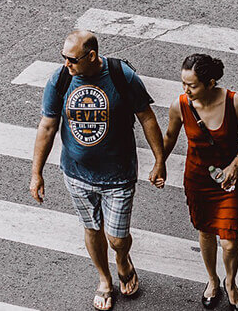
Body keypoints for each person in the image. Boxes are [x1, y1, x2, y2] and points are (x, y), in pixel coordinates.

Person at [29, 30, 166, 311]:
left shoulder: (122, 76)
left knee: (117, 238)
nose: (66, 64)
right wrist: (36, 173)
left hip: (118, 176)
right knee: (92, 229)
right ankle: (104, 279)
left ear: (91, 56)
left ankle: (122, 260)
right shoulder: (60, 79)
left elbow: (147, 117)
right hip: (76, 174)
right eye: (63, 58)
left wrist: (159, 160)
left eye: (72, 60)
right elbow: (47, 126)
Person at [163, 53, 238, 310]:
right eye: (183, 83)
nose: (186, 89)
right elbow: (170, 136)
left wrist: (235, 164)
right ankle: (213, 280)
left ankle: (231, 282)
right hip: (197, 179)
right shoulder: (180, 105)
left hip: (230, 181)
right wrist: (159, 163)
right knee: (205, 232)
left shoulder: (233, 101)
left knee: (229, 241)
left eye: (191, 85)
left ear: (210, 83)